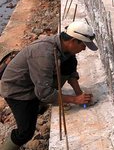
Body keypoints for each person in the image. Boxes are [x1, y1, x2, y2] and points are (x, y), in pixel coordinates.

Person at [0, 21, 98, 149]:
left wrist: (79, 93)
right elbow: (44, 92)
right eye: (83, 45)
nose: (84, 49)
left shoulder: (65, 49)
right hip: (17, 90)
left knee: (69, 62)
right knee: (25, 132)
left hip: (34, 82)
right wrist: (74, 100)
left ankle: (40, 105)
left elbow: (70, 71)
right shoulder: (44, 54)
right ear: (73, 41)